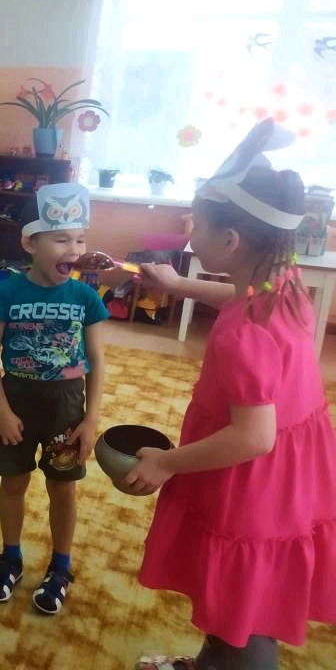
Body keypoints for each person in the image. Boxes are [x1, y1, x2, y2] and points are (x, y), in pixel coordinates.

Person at [128, 120, 336, 670]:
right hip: (285, 478)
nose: (189, 232)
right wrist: (179, 286)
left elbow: (253, 436)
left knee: (244, 608)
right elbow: (239, 295)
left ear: (230, 242)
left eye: (197, 225)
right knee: (242, 602)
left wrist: (168, 462)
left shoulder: (242, 335)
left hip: (250, 480)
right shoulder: (283, 284)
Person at [0, 182, 107, 616]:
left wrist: (90, 420)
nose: (74, 250)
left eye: (80, 240)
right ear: (30, 243)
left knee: (63, 489)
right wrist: (1, 410)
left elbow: (97, 361)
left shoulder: (85, 297)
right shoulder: (7, 292)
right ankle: (10, 559)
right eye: (61, 240)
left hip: (66, 406)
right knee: (13, 483)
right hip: (17, 401)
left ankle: (60, 567)